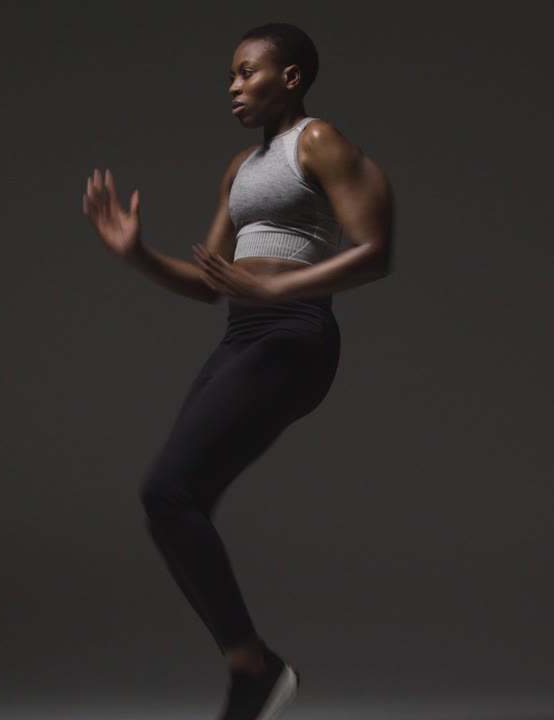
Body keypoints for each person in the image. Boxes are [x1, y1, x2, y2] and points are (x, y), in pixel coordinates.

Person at [81, 22, 394, 720]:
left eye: (247, 71)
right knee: (168, 501)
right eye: (230, 74)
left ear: (291, 78)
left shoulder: (317, 141)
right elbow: (210, 283)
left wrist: (282, 290)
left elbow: (376, 251)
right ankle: (253, 670)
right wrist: (137, 255)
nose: (233, 85)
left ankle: (254, 668)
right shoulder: (239, 170)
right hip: (245, 332)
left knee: (167, 490)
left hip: (296, 335)